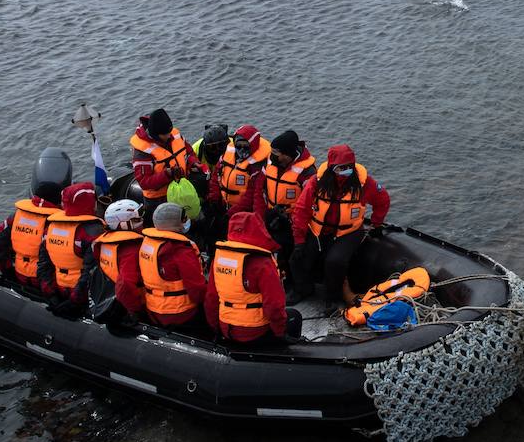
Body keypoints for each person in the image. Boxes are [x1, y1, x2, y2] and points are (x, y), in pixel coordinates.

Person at [288, 144, 390, 307]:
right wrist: (299, 240)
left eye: (349, 167)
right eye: (341, 168)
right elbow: (301, 210)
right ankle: (303, 289)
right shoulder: (317, 182)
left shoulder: (364, 184)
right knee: (298, 258)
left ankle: (332, 298)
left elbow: (383, 200)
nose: (345, 171)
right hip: (318, 230)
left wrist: (376, 223)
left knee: (335, 261)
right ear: (331, 167)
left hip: (349, 232)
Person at [204, 211, 295, 344]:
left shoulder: (219, 258)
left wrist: (217, 329)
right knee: (294, 318)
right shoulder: (263, 263)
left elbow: (211, 298)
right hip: (255, 331)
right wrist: (280, 334)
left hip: (226, 327)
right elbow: (274, 306)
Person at [0, 147, 71, 291]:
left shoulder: (15, 217)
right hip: (50, 286)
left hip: (19, 276)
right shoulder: (59, 225)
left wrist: (8, 272)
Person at [138, 202, 207, 331]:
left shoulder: (147, 242)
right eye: (184, 218)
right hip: (180, 312)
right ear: (174, 223)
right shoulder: (181, 250)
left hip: (152, 309)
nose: (187, 221)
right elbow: (196, 289)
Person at [37, 182, 104, 312]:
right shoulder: (92, 232)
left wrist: (51, 294)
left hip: (59, 289)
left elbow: (43, 265)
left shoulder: (50, 228)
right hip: (81, 295)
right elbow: (90, 272)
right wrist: (75, 301)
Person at [129, 108, 205, 214]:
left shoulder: (173, 134)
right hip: (159, 200)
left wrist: (194, 162)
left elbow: (188, 152)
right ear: (155, 134)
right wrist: (167, 174)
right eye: (165, 134)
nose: (169, 136)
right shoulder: (142, 152)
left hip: (182, 190)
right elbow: (144, 182)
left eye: (169, 132)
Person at [88, 198, 146, 324]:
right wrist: (136, 311)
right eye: (136, 220)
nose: (141, 222)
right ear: (122, 224)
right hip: (134, 302)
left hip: (112, 294)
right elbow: (126, 283)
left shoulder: (102, 242)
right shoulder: (132, 249)